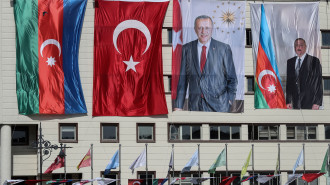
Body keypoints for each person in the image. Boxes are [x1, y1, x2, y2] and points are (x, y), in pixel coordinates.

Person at [174, 15, 237, 112]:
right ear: (195, 29)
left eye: (207, 28)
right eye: (200, 28)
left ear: (212, 29)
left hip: (220, 107)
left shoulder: (224, 49)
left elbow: (232, 79)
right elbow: (183, 80)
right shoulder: (187, 49)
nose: (203, 31)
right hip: (195, 106)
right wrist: (178, 105)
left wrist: (229, 101)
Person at [286, 38, 323, 109]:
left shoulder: (314, 61)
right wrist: (288, 101)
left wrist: (317, 102)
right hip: (295, 102)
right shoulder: (290, 62)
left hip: (310, 102)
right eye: (296, 45)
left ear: (306, 47)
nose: (299, 47)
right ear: (294, 47)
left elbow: (318, 82)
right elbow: (289, 83)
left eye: (301, 45)